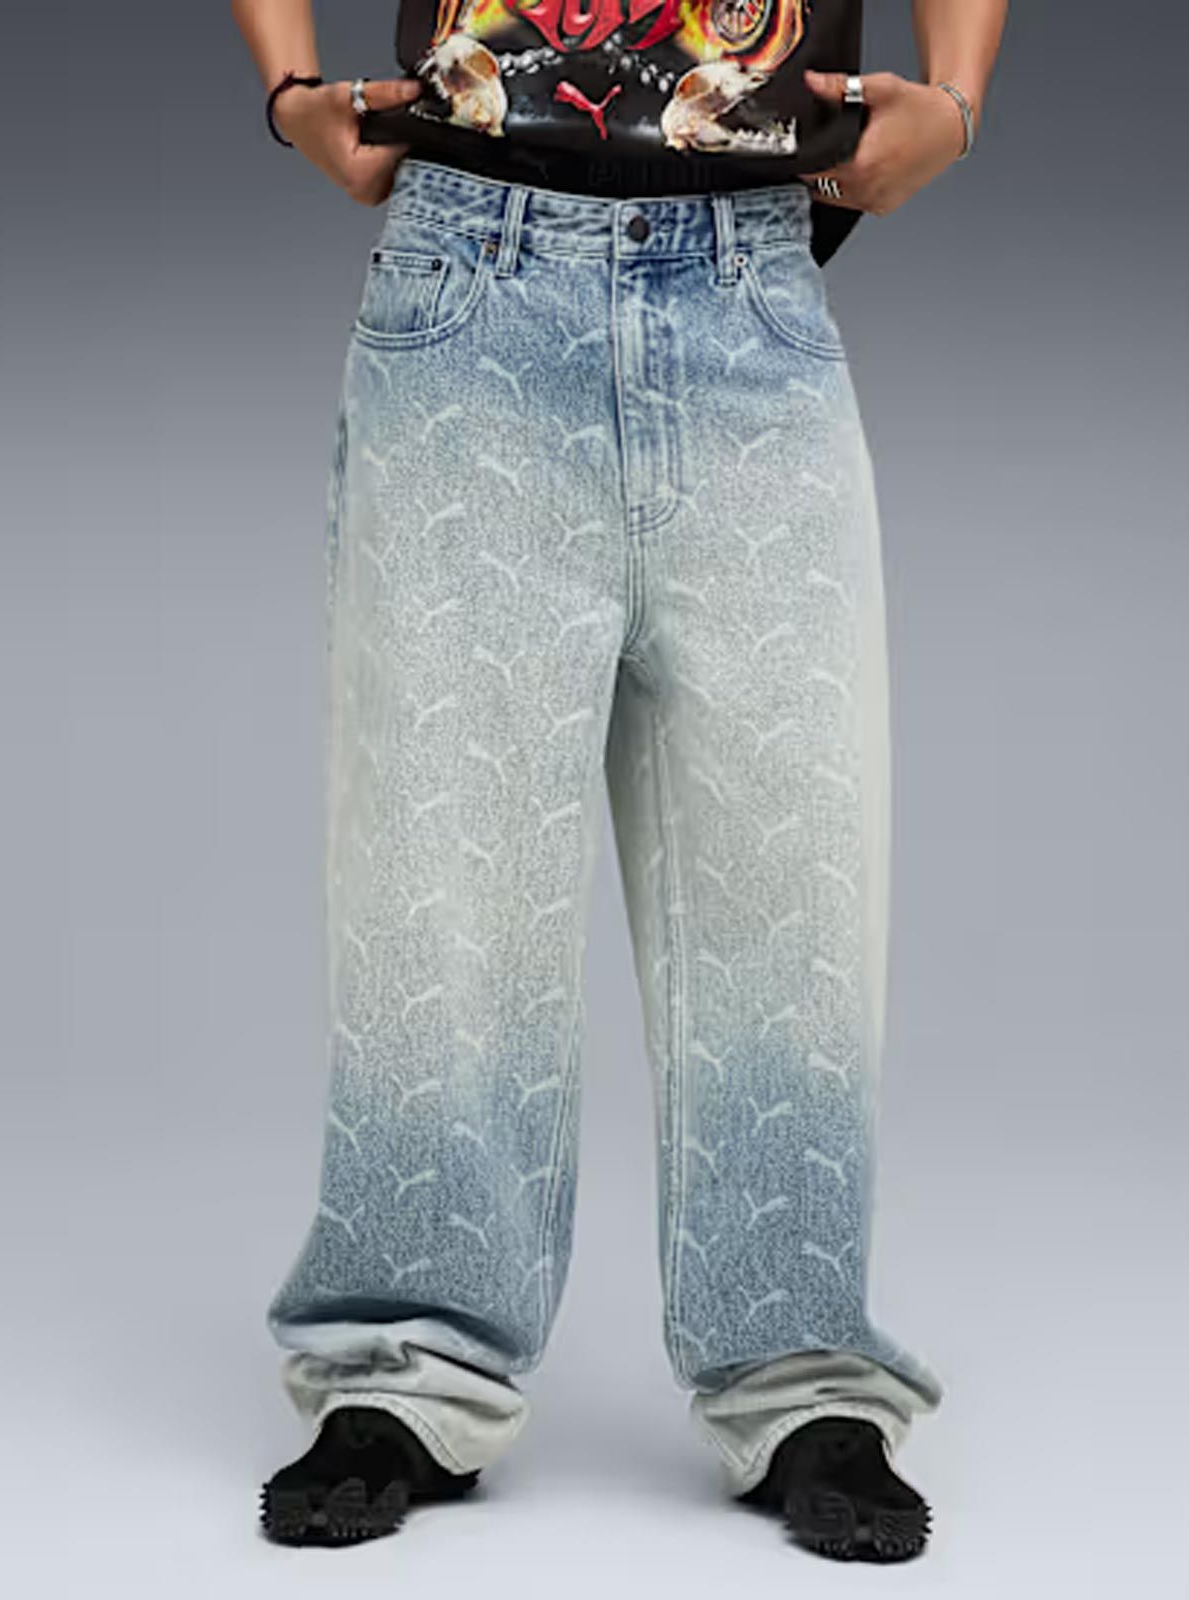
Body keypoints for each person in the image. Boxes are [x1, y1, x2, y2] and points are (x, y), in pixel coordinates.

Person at [232, 0, 1005, 1563]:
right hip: (470, 276)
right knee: (438, 866)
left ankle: (801, 1370)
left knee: (789, 857)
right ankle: (405, 1357)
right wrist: (287, 88)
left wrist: (962, 96)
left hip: (751, 281)